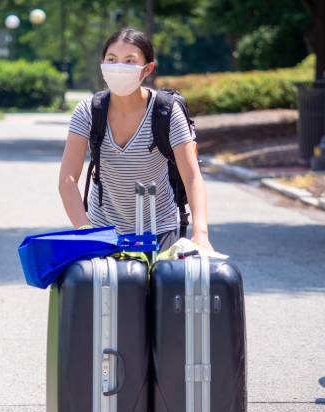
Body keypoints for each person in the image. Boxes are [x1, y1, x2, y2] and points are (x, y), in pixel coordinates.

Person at [58, 27, 214, 253]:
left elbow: (191, 177)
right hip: (103, 230)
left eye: (130, 61)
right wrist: (86, 231)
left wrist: (201, 234)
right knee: (102, 285)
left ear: (147, 69)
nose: (119, 67)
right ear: (102, 65)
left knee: (162, 284)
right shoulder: (88, 111)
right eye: (112, 60)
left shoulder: (167, 111)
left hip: (160, 228)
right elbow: (67, 179)